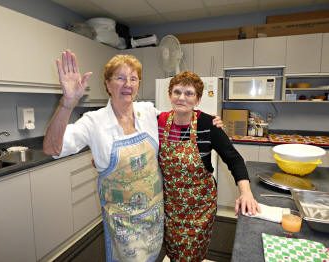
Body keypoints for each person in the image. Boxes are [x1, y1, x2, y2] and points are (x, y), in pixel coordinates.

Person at [43, 50, 223, 262]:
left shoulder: (147, 112)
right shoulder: (93, 122)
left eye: (133, 78)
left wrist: (208, 123)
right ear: (108, 85)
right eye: (120, 77)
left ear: (138, 84)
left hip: (155, 217)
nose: (127, 83)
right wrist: (67, 102)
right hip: (124, 224)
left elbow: (180, 119)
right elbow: (52, 148)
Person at [157, 71, 259, 261]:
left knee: (190, 255)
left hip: (199, 209)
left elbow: (234, 159)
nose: (182, 98)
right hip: (170, 207)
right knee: (173, 253)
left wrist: (246, 192)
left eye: (189, 93)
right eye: (177, 92)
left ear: (198, 99)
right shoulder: (159, 122)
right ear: (170, 95)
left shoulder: (208, 124)